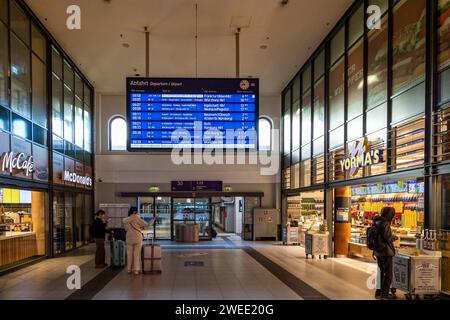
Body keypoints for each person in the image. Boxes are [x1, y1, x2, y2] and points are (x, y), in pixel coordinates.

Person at [373, 207, 398, 300]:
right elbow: (388, 238)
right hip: (385, 252)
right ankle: (385, 295)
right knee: (388, 274)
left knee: (382, 272)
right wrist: (395, 237)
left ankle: (380, 292)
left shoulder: (376, 221)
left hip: (378, 251)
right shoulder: (385, 223)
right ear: (389, 214)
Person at [123, 207, 156, 275]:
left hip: (129, 237)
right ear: (135, 212)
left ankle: (129, 269)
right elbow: (148, 224)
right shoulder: (137, 218)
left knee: (129, 254)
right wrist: (154, 219)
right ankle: (136, 270)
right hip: (137, 237)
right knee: (136, 254)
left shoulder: (125, 220)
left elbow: (125, 229)